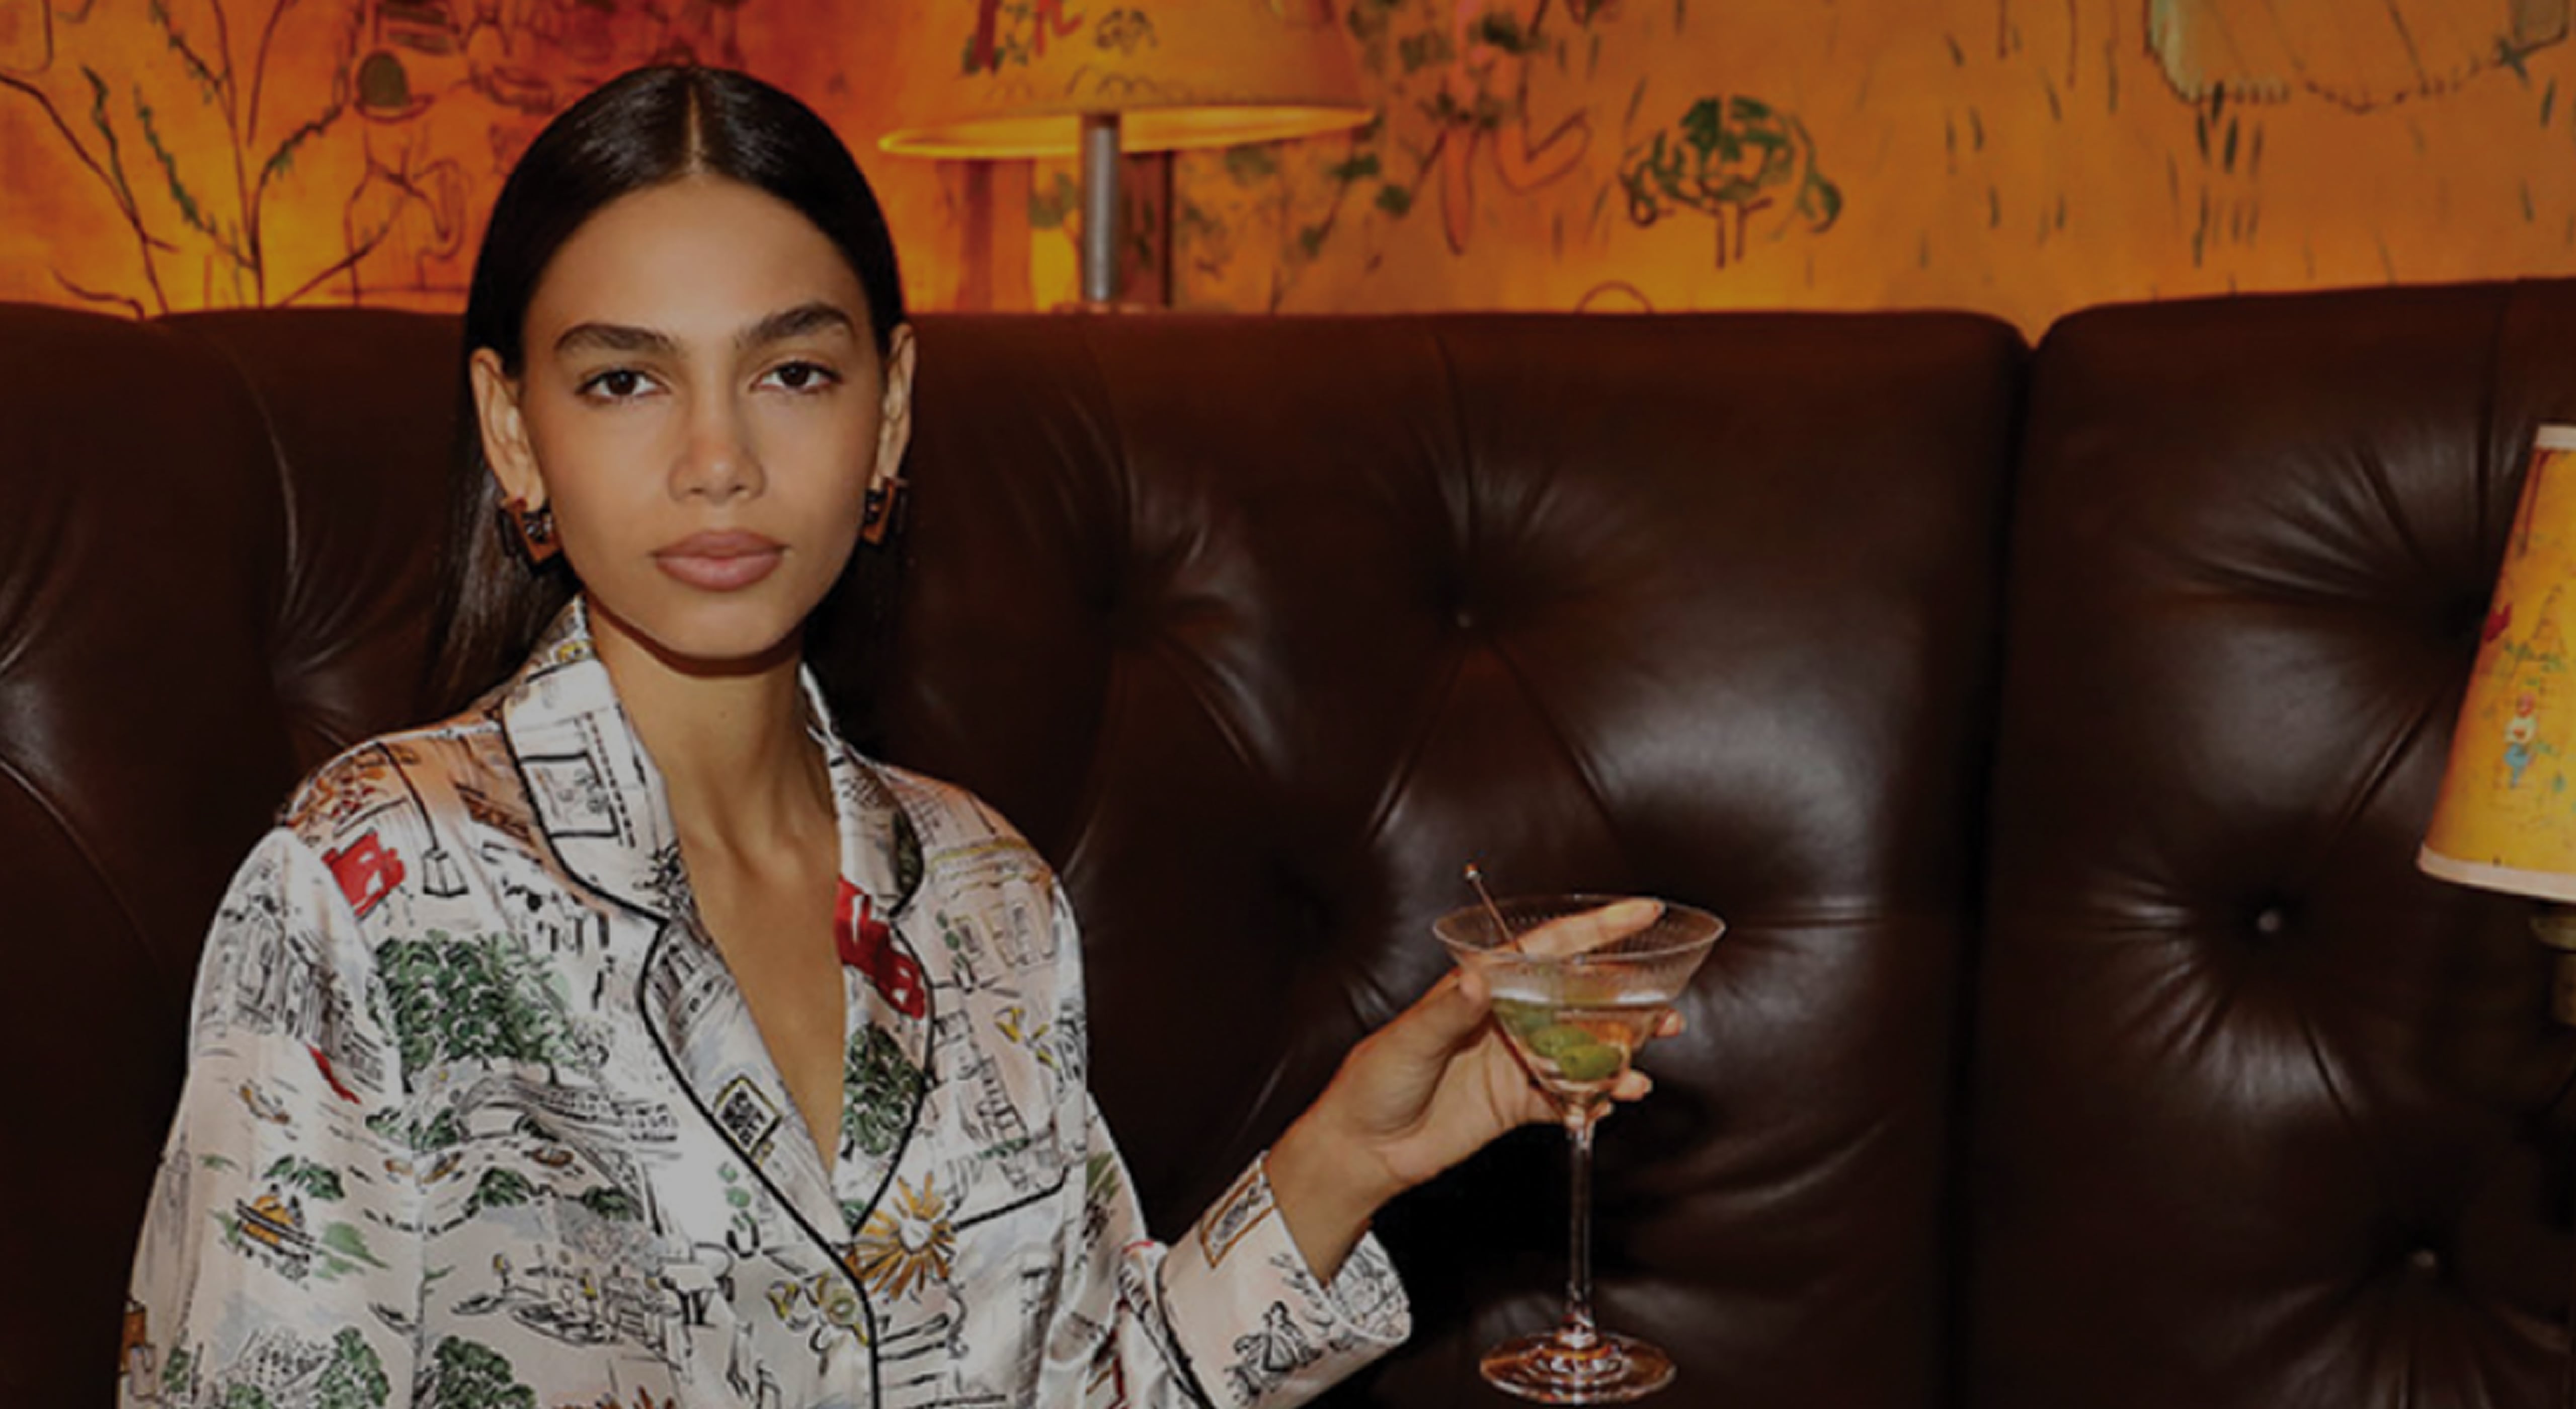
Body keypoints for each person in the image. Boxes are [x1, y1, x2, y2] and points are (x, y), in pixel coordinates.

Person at [121, 64, 1670, 1409]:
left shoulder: (989, 891)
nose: (719, 459)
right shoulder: (370, 883)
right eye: (625, 380)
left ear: (894, 409)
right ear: (515, 431)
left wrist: (1351, 1158)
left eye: (794, 373)